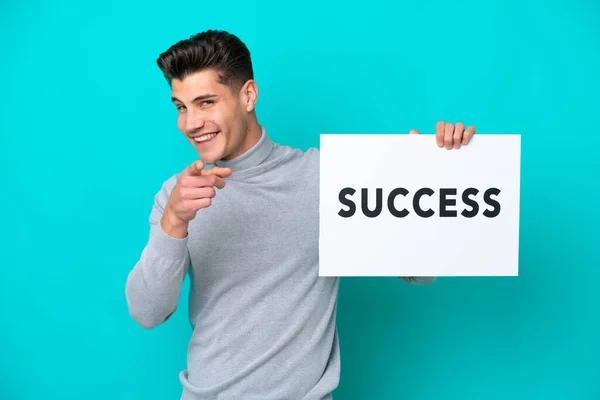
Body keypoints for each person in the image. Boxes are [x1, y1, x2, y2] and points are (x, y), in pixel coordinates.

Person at [125, 29, 476, 400]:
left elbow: (419, 272)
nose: (191, 122)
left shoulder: (327, 178)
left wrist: (433, 175)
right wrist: (174, 223)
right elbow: (147, 312)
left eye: (206, 102)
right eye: (181, 107)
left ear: (248, 95)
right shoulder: (177, 194)